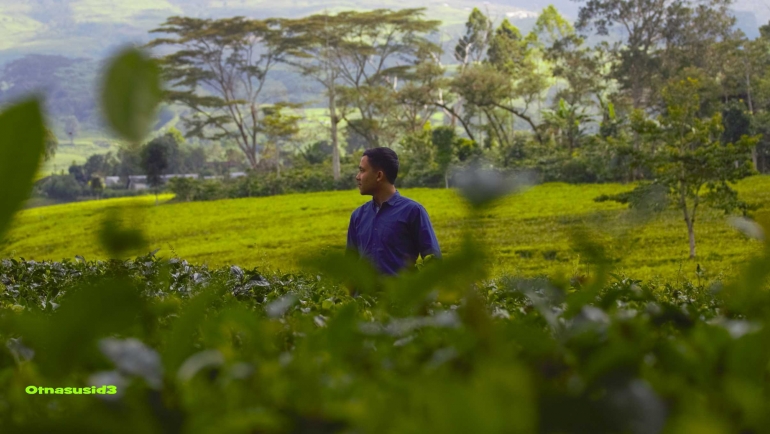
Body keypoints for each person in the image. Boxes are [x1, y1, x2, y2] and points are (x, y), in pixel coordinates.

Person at [346, 147, 442, 276]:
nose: (358, 177)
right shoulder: (358, 216)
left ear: (379, 175)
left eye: (362, 171)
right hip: (363, 296)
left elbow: (433, 261)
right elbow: (350, 266)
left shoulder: (413, 211)